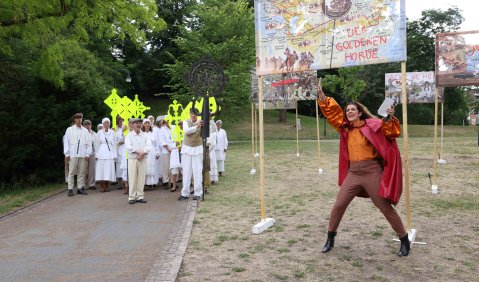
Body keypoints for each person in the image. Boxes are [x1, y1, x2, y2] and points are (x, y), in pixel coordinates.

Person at [316, 82, 410, 257]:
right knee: (338, 205)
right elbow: (333, 114)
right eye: (347, 110)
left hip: (372, 172)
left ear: (359, 112)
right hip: (353, 173)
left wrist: (389, 118)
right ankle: (330, 238)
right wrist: (322, 97)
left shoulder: (373, 125)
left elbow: (391, 132)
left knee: (384, 207)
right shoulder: (345, 128)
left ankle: (404, 239)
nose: (349, 112)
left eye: (353, 110)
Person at [63, 113, 91, 196]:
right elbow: (66, 142)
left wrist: (87, 154)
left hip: (83, 154)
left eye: (80, 118)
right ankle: (70, 189)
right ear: (74, 119)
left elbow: (89, 144)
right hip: (73, 154)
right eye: (77, 118)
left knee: (81, 172)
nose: (79, 120)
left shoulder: (85, 131)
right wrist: (67, 153)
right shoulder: (69, 129)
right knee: (71, 172)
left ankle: (80, 188)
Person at [178, 109, 203, 201]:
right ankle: (185, 193)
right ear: (190, 114)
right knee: (186, 171)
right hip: (187, 148)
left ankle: (198, 192)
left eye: (195, 114)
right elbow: (186, 131)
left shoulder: (201, 122)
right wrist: (197, 127)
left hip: (197, 148)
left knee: (197, 171)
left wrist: (202, 125)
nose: (193, 115)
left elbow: (206, 133)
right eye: (192, 114)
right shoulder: (186, 122)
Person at [125, 118, 151, 204]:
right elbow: (128, 146)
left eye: (140, 123)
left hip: (142, 158)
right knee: (132, 177)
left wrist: (142, 153)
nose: (138, 125)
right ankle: (132, 197)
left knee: (141, 177)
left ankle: (140, 196)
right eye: (136, 123)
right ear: (133, 125)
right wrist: (137, 152)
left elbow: (148, 146)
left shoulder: (145, 135)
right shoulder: (129, 135)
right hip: (133, 158)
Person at [95, 117, 117, 192]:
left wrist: (114, 154)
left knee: (108, 170)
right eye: (105, 123)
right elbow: (96, 144)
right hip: (101, 152)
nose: (106, 124)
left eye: (108, 123)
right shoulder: (99, 132)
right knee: (102, 169)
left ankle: (107, 185)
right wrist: (96, 154)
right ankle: (102, 185)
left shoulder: (112, 132)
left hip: (109, 153)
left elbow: (114, 144)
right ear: (103, 124)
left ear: (109, 124)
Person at [142, 118, 159, 189]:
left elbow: (157, 144)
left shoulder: (153, 133)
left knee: (153, 166)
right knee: (146, 166)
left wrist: (157, 152)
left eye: (148, 123)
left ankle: (153, 182)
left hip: (152, 151)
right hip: (145, 152)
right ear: (143, 125)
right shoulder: (142, 134)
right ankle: (146, 183)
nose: (147, 124)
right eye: (146, 123)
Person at [83, 119, 97, 190]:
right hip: (84, 154)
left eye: (89, 124)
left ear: (91, 125)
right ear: (83, 126)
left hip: (92, 153)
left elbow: (97, 144)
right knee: (83, 170)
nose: (88, 126)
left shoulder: (94, 133)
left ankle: (91, 184)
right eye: (86, 125)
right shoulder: (82, 133)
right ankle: (83, 185)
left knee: (92, 170)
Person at [158, 116, 172, 188]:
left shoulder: (170, 129)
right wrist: (167, 148)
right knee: (165, 167)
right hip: (165, 150)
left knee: (171, 166)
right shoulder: (162, 129)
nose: (168, 122)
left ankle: (172, 181)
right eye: (167, 120)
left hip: (171, 150)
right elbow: (161, 140)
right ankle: (165, 181)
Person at [115, 117, 125, 190]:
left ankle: (125, 182)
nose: (121, 123)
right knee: (119, 167)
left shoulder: (126, 129)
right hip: (118, 149)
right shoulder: (115, 130)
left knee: (124, 166)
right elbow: (115, 140)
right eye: (120, 121)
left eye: (122, 121)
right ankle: (119, 182)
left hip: (125, 149)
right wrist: (119, 142)